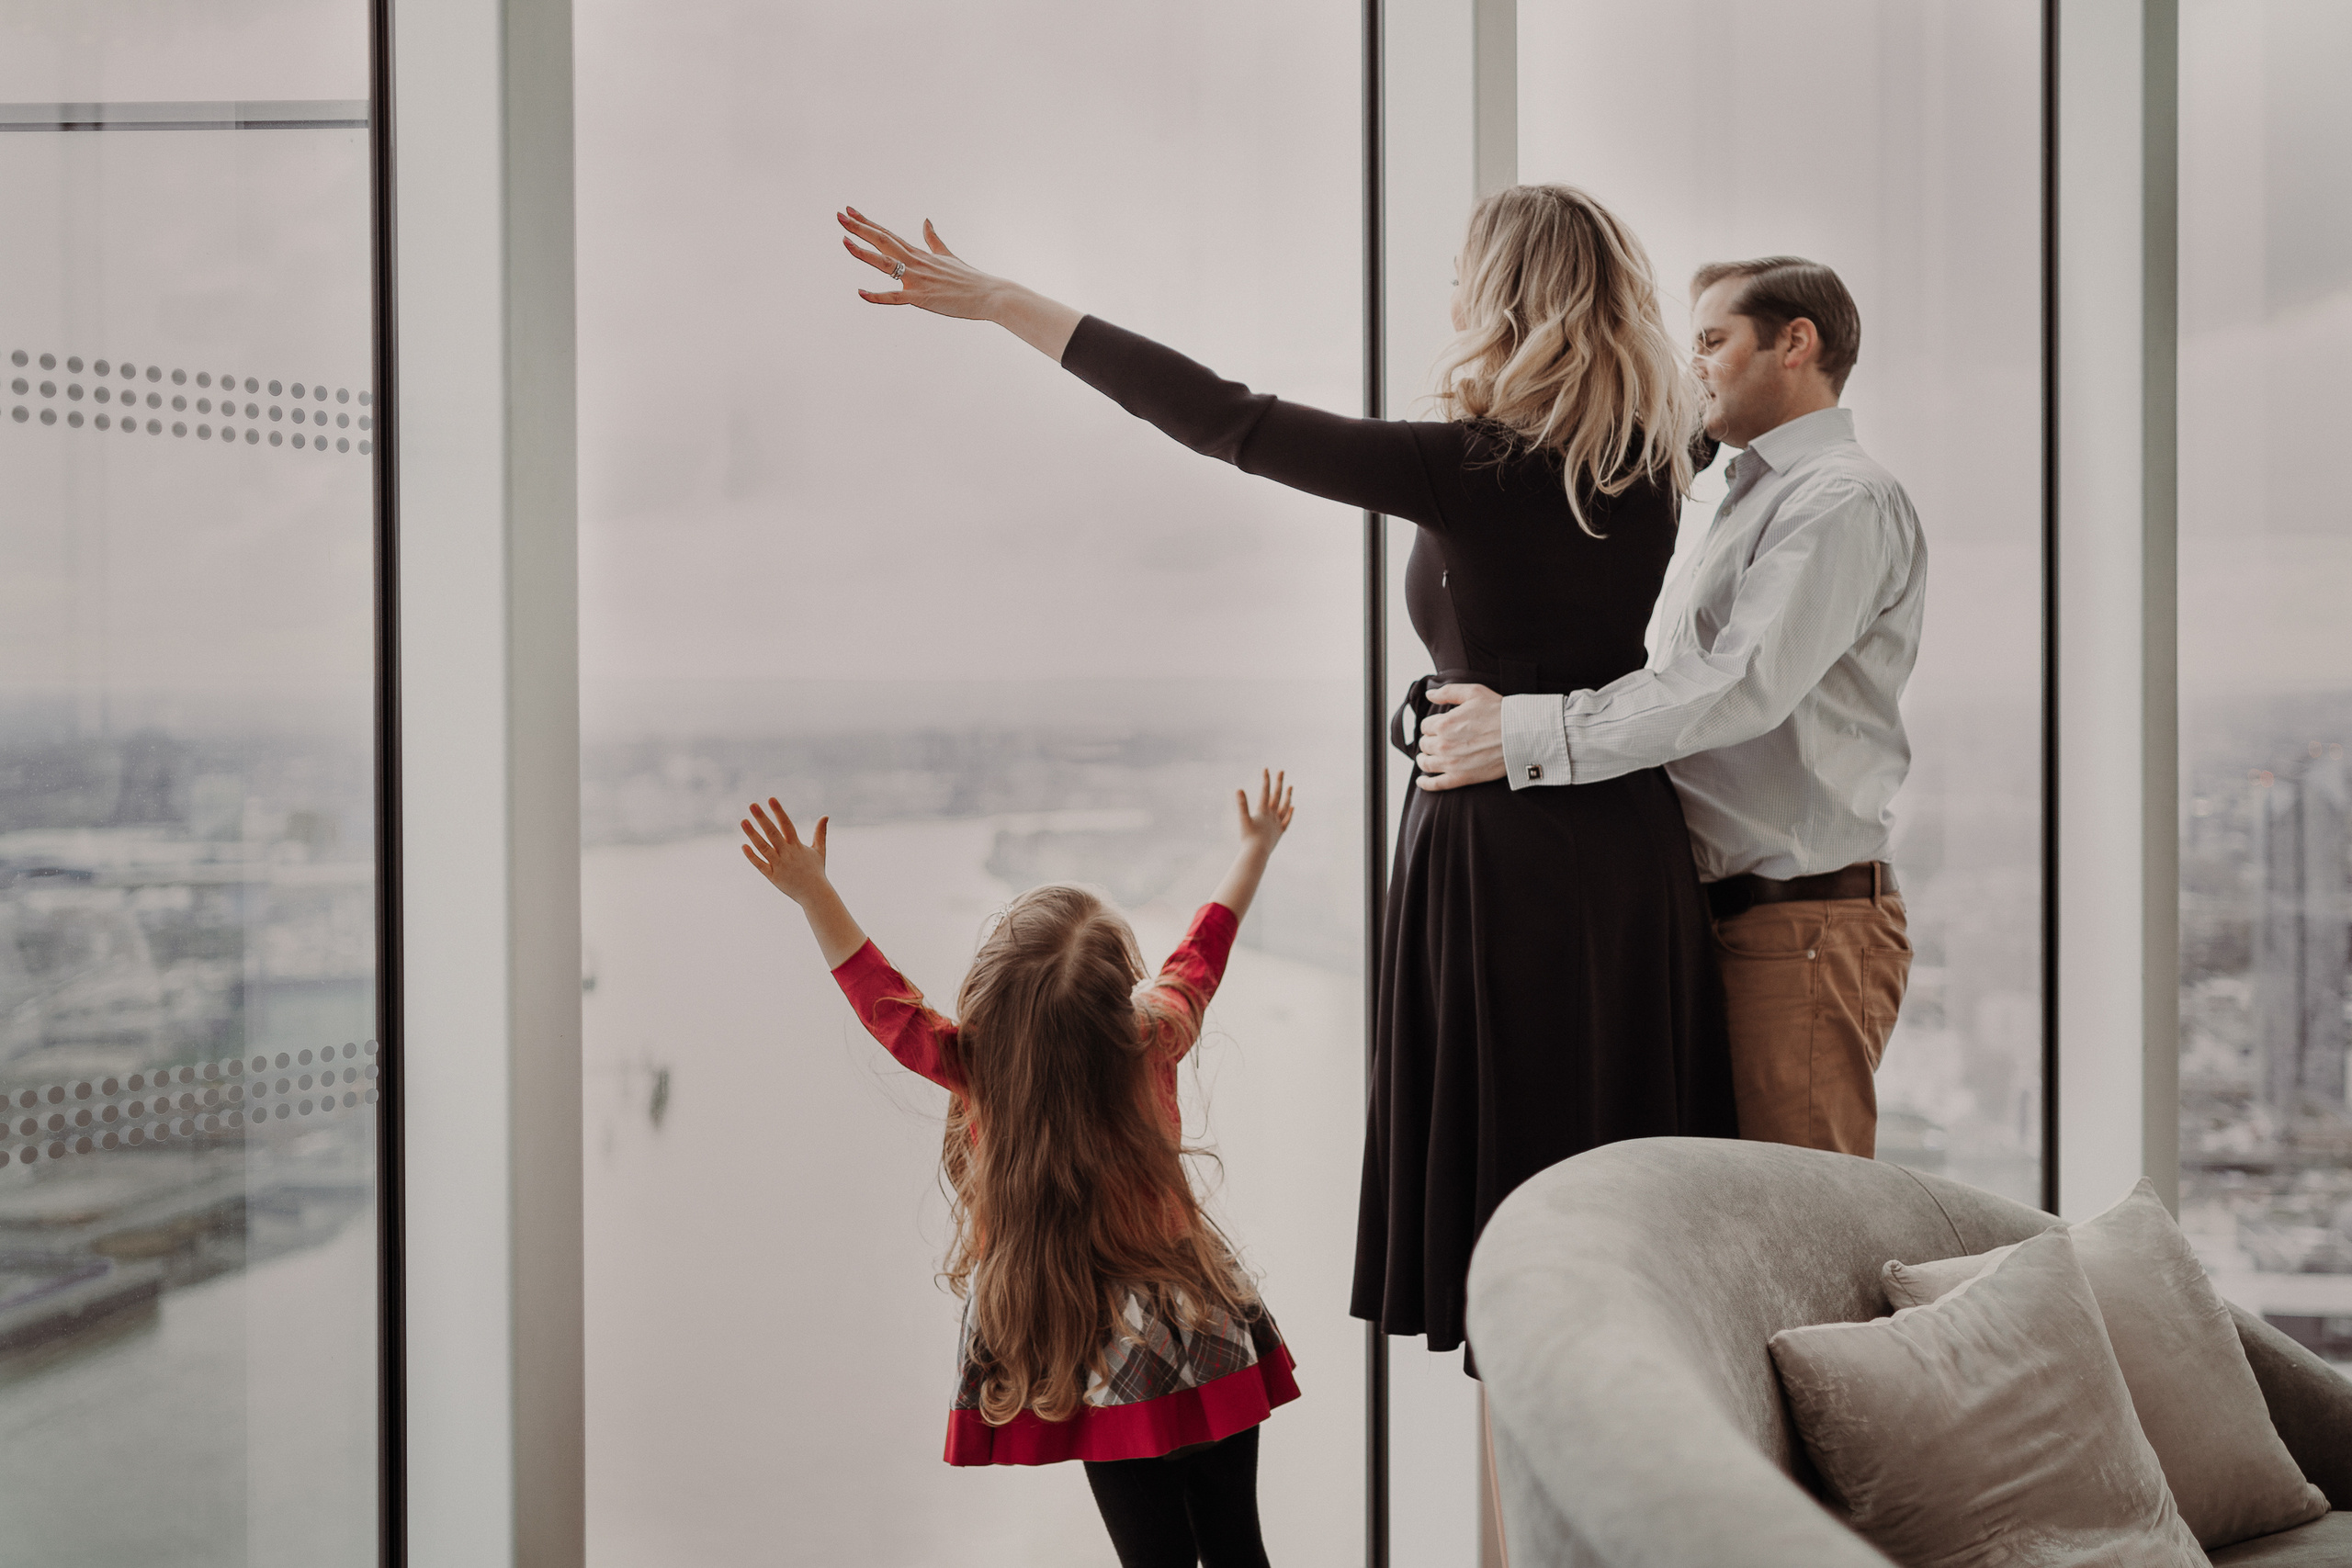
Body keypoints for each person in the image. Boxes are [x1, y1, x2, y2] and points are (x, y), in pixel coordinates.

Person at [832, 185, 1736, 1364]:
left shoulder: (1472, 467)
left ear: (1508, 299)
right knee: (1613, 1230)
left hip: (1496, 861)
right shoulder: (1663, 454)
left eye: (1464, 272)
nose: (1448, 295)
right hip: (1625, 857)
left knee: (1521, 1261)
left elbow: (1224, 420)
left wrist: (1003, 302)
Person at [1410, 256, 1925, 1157]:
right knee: (1712, 1241)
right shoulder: (1745, 499)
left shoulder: (1840, 499)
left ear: (1794, 344)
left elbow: (1733, 687)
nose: (1692, 369)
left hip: (1794, 932)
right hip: (1715, 922)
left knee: (1793, 1236)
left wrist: (1523, 732)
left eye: (1713, 343)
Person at [740, 773, 1302, 1568]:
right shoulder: (1153, 1036)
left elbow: (887, 1007)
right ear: (1119, 995)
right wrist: (1255, 849)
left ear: (996, 1002)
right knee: (1241, 1549)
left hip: (1103, 1352)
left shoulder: (986, 1065)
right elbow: (1202, 952)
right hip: (1204, 1323)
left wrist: (812, 894)